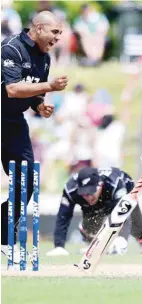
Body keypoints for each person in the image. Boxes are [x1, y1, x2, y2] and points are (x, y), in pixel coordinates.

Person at [1, 11, 68, 260]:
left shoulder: (45, 58)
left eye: (60, 33)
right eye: (55, 32)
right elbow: (12, 89)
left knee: (26, 180)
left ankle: (3, 235)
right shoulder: (11, 49)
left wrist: (40, 105)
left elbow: (31, 92)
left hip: (13, 123)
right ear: (39, 28)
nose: (58, 37)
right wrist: (50, 87)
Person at [46, 167, 142, 256]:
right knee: (90, 226)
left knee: (137, 228)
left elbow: (123, 215)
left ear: (100, 185)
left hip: (123, 191)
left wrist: (121, 240)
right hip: (95, 205)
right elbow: (63, 217)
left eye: (90, 192)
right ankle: (93, 243)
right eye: (84, 193)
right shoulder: (71, 190)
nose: (88, 197)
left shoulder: (115, 184)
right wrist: (59, 246)